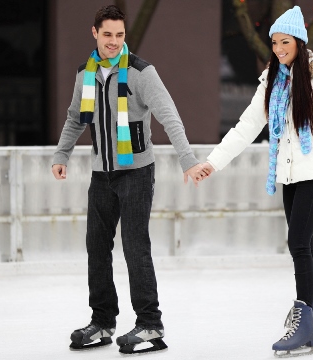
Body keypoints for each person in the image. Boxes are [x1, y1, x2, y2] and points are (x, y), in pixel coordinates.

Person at [195, 6, 313, 356]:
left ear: (299, 41)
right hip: (289, 172)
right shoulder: (272, 82)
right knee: (303, 244)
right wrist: (212, 162)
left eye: (284, 42)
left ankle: (303, 318)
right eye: (274, 42)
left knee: (298, 242)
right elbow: (245, 127)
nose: (278, 49)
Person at [51, 5, 202, 355]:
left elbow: (169, 115)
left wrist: (187, 159)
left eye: (120, 36)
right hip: (101, 174)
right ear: (95, 33)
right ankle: (102, 322)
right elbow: (76, 118)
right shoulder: (85, 74)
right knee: (97, 247)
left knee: (136, 247)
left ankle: (150, 324)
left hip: (136, 173)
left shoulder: (140, 73)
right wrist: (62, 155)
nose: (114, 42)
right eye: (107, 35)